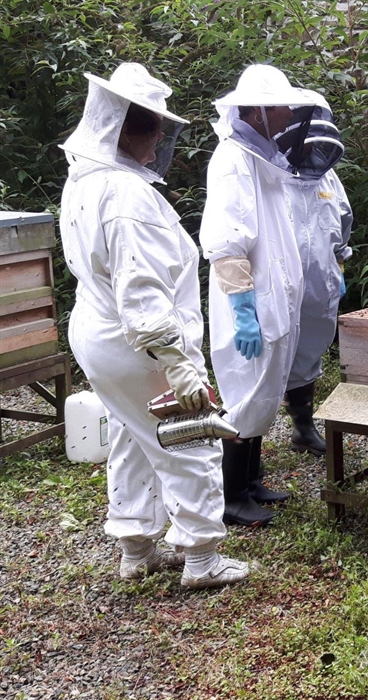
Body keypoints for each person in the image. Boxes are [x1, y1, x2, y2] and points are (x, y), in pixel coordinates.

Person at [59, 63, 250, 589]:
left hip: (101, 338)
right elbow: (139, 288)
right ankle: (203, 559)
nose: (160, 137)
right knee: (189, 439)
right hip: (138, 345)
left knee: (133, 437)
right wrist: (177, 362)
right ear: (124, 129)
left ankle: (136, 549)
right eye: (153, 126)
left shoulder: (85, 180)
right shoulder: (124, 195)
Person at [200, 64, 316, 525]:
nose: (290, 113)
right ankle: (230, 498)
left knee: (263, 391)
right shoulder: (231, 159)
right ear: (259, 110)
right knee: (245, 394)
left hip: (271, 301)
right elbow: (228, 239)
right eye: (283, 104)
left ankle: (250, 482)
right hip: (248, 304)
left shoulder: (260, 157)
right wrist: (243, 309)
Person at [275, 89, 353, 456]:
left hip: (321, 282)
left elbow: (343, 222)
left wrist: (340, 266)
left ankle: (302, 429)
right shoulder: (270, 172)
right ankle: (248, 448)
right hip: (280, 285)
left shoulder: (328, 176)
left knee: (309, 353)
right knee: (271, 359)